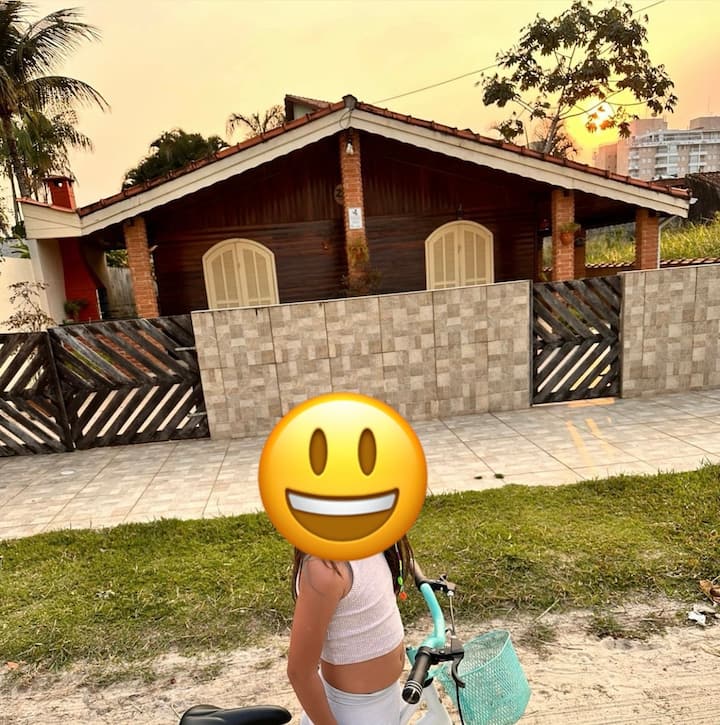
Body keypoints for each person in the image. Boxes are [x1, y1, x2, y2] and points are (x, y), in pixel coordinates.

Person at [287, 536, 414, 725]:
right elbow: (300, 672)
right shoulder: (324, 568)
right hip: (354, 712)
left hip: (387, 696)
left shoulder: (374, 539)